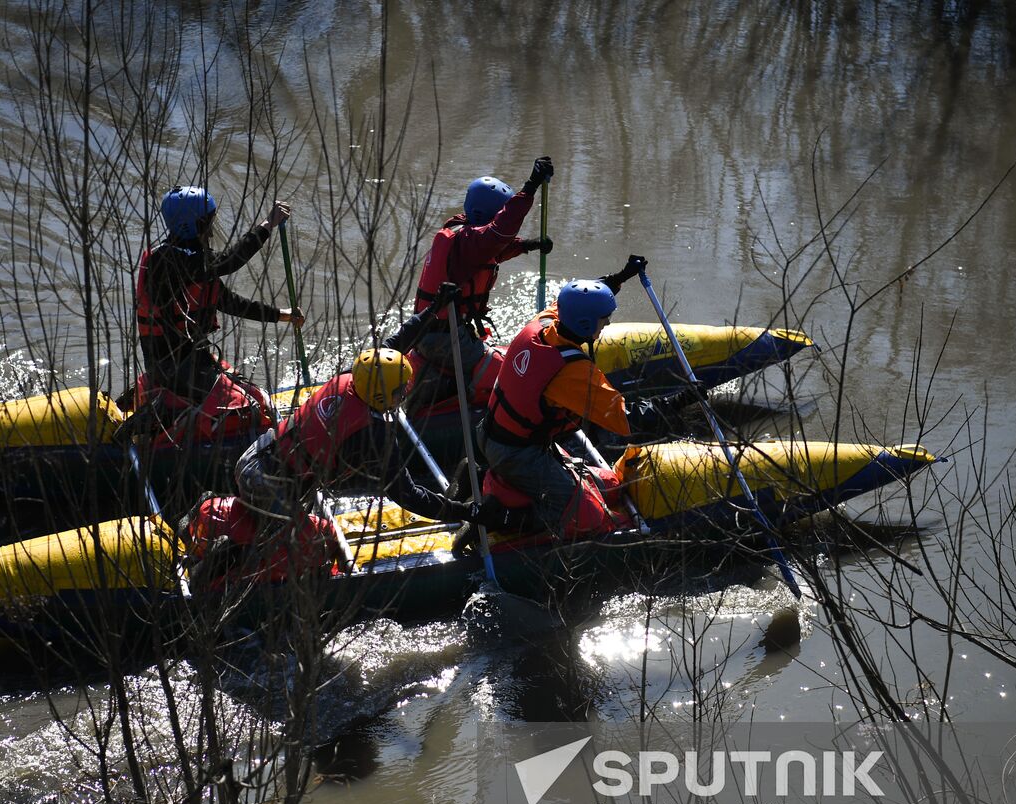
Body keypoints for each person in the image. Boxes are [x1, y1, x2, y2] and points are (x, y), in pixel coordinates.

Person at [472, 256, 680, 536]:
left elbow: (572, 300)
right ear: (584, 324)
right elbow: (626, 419)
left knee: (606, 482)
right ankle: (502, 518)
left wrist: (620, 277)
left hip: (491, 435)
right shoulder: (572, 372)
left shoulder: (543, 324)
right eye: (603, 319)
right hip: (517, 455)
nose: (606, 323)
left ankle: (477, 473)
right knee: (587, 518)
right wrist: (681, 399)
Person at [232, 347, 471, 529]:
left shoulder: (348, 378)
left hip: (252, 457)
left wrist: (431, 311)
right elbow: (408, 496)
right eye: (400, 391)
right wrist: (467, 512)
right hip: (267, 486)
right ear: (380, 394)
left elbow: (392, 344)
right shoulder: (372, 434)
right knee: (315, 547)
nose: (404, 394)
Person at [404, 157, 556, 403]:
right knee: (505, 371)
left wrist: (529, 245)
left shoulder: (463, 236)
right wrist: (530, 187)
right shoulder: (469, 240)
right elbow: (498, 233)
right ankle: (483, 407)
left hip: (438, 332)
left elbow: (491, 248)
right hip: (444, 336)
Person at [135, 186, 303, 402]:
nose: (212, 232)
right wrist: (268, 225)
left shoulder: (192, 263)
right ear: (193, 226)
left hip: (193, 359)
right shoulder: (169, 263)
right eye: (208, 224)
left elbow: (231, 303)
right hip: (174, 368)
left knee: (254, 394)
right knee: (252, 404)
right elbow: (231, 261)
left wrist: (283, 315)